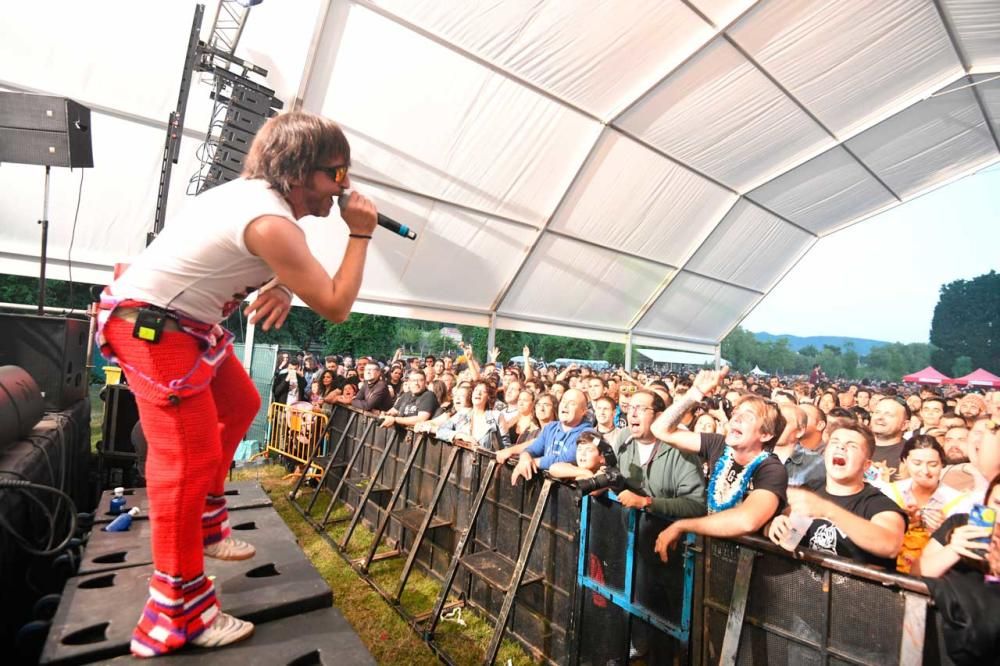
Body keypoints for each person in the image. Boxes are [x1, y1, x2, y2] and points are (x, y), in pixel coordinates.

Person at [96, 111, 378, 656]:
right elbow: (338, 305)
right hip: (157, 329)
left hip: (182, 323)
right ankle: (174, 618)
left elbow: (250, 253)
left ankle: (203, 521)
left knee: (241, 401)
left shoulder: (254, 198)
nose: (344, 189)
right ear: (299, 172)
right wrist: (361, 232)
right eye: (337, 175)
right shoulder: (272, 222)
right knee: (184, 461)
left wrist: (281, 283)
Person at [650, 368, 789, 564]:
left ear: (765, 435)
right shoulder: (718, 445)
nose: (736, 418)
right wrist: (695, 393)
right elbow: (660, 429)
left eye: (748, 417)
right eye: (736, 413)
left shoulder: (771, 469)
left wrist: (682, 525)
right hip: (710, 560)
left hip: (750, 571)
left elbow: (747, 520)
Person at [767, 423, 907, 570]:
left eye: (852, 445)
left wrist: (828, 510)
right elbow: (782, 525)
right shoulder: (809, 490)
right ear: (825, 453)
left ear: (866, 465)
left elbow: (890, 546)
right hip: (798, 590)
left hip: (852, 592)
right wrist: (776, 525)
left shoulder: (878, 504)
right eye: (835, 442)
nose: (841, 447)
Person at [882, 436, 971, 573]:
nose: (925, 471)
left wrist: (944, 532)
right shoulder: (889, 493)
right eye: (917, 463)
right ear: (905, 461)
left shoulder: (959, 502)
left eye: (933, 464)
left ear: (942, 464)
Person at [495, 389, 590, 485]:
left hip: (569, 494)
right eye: (564, 401)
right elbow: (533, 449)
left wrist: (533, 462)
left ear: (583, 411)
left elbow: (566, 459)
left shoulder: (587, 434)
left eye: (572, 403)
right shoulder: (550, 427)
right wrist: (525, 457)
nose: (565, 406)